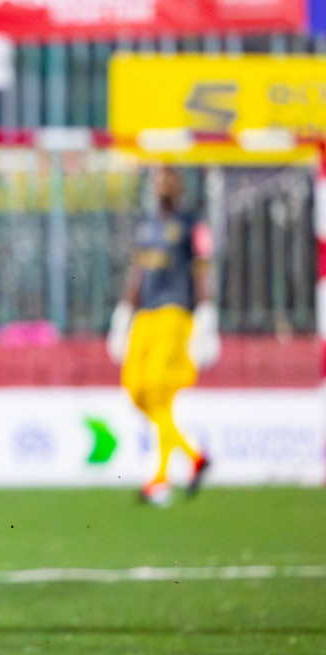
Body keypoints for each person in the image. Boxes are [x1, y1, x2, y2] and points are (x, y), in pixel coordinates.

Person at [107, 165, 216, 506]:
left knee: (157, 387)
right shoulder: (145, 226)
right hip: (146, 315)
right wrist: (123, 312)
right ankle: (194, 457)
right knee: (137, 389)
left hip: (174, 312)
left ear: (179, 187)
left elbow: (201, 270)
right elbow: (137, 273)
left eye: (169, 180)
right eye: (158, 181)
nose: (163, 186)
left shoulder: (191, 225)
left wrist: (206, 312)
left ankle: (160, 480)